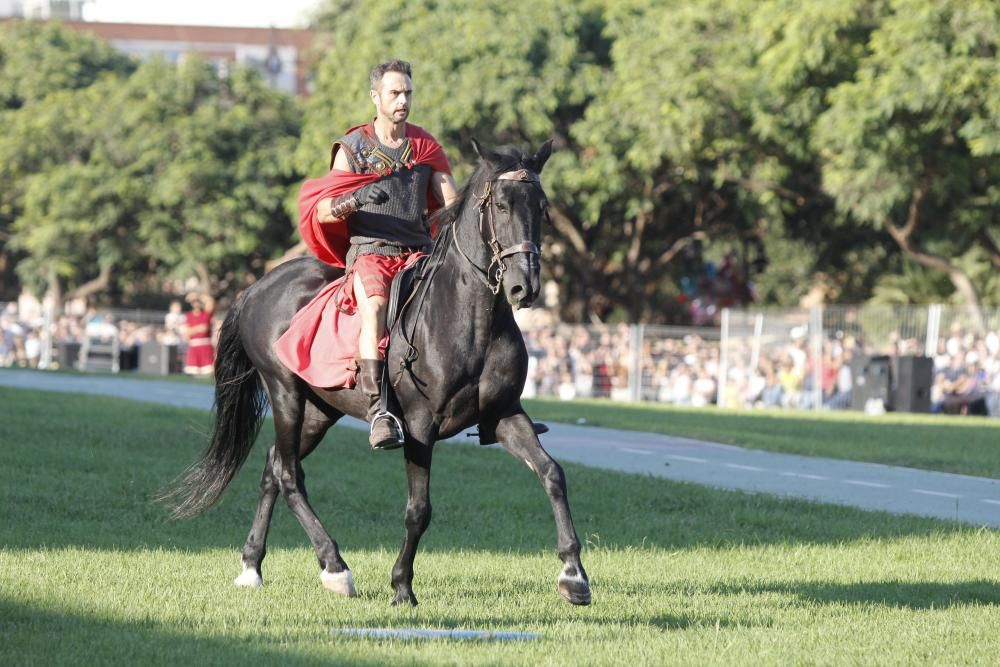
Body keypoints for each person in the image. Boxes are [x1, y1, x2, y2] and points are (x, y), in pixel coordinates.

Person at [297, 59, 458, 449]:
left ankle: (487, 404)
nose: (403, 100)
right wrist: (354, 198)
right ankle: (379, 410)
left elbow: (451, 201)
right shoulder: (352, 147)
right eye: (395, 93)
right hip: (371, 252)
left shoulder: (424, 145)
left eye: (408, 93)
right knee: (375, 305)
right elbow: (321, 210)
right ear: (376, 97)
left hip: (419, 252)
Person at [183, 291, 215, 376]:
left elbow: (211, 302)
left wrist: (198, 295)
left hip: (206, 348)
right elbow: (187, 332)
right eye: (194, 302)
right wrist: (198, 329)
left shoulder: (206, 314)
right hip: (194, 348)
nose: (196, 304)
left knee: (208, 373)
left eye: (198, 301)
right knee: (193, 374)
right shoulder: (188, 315)